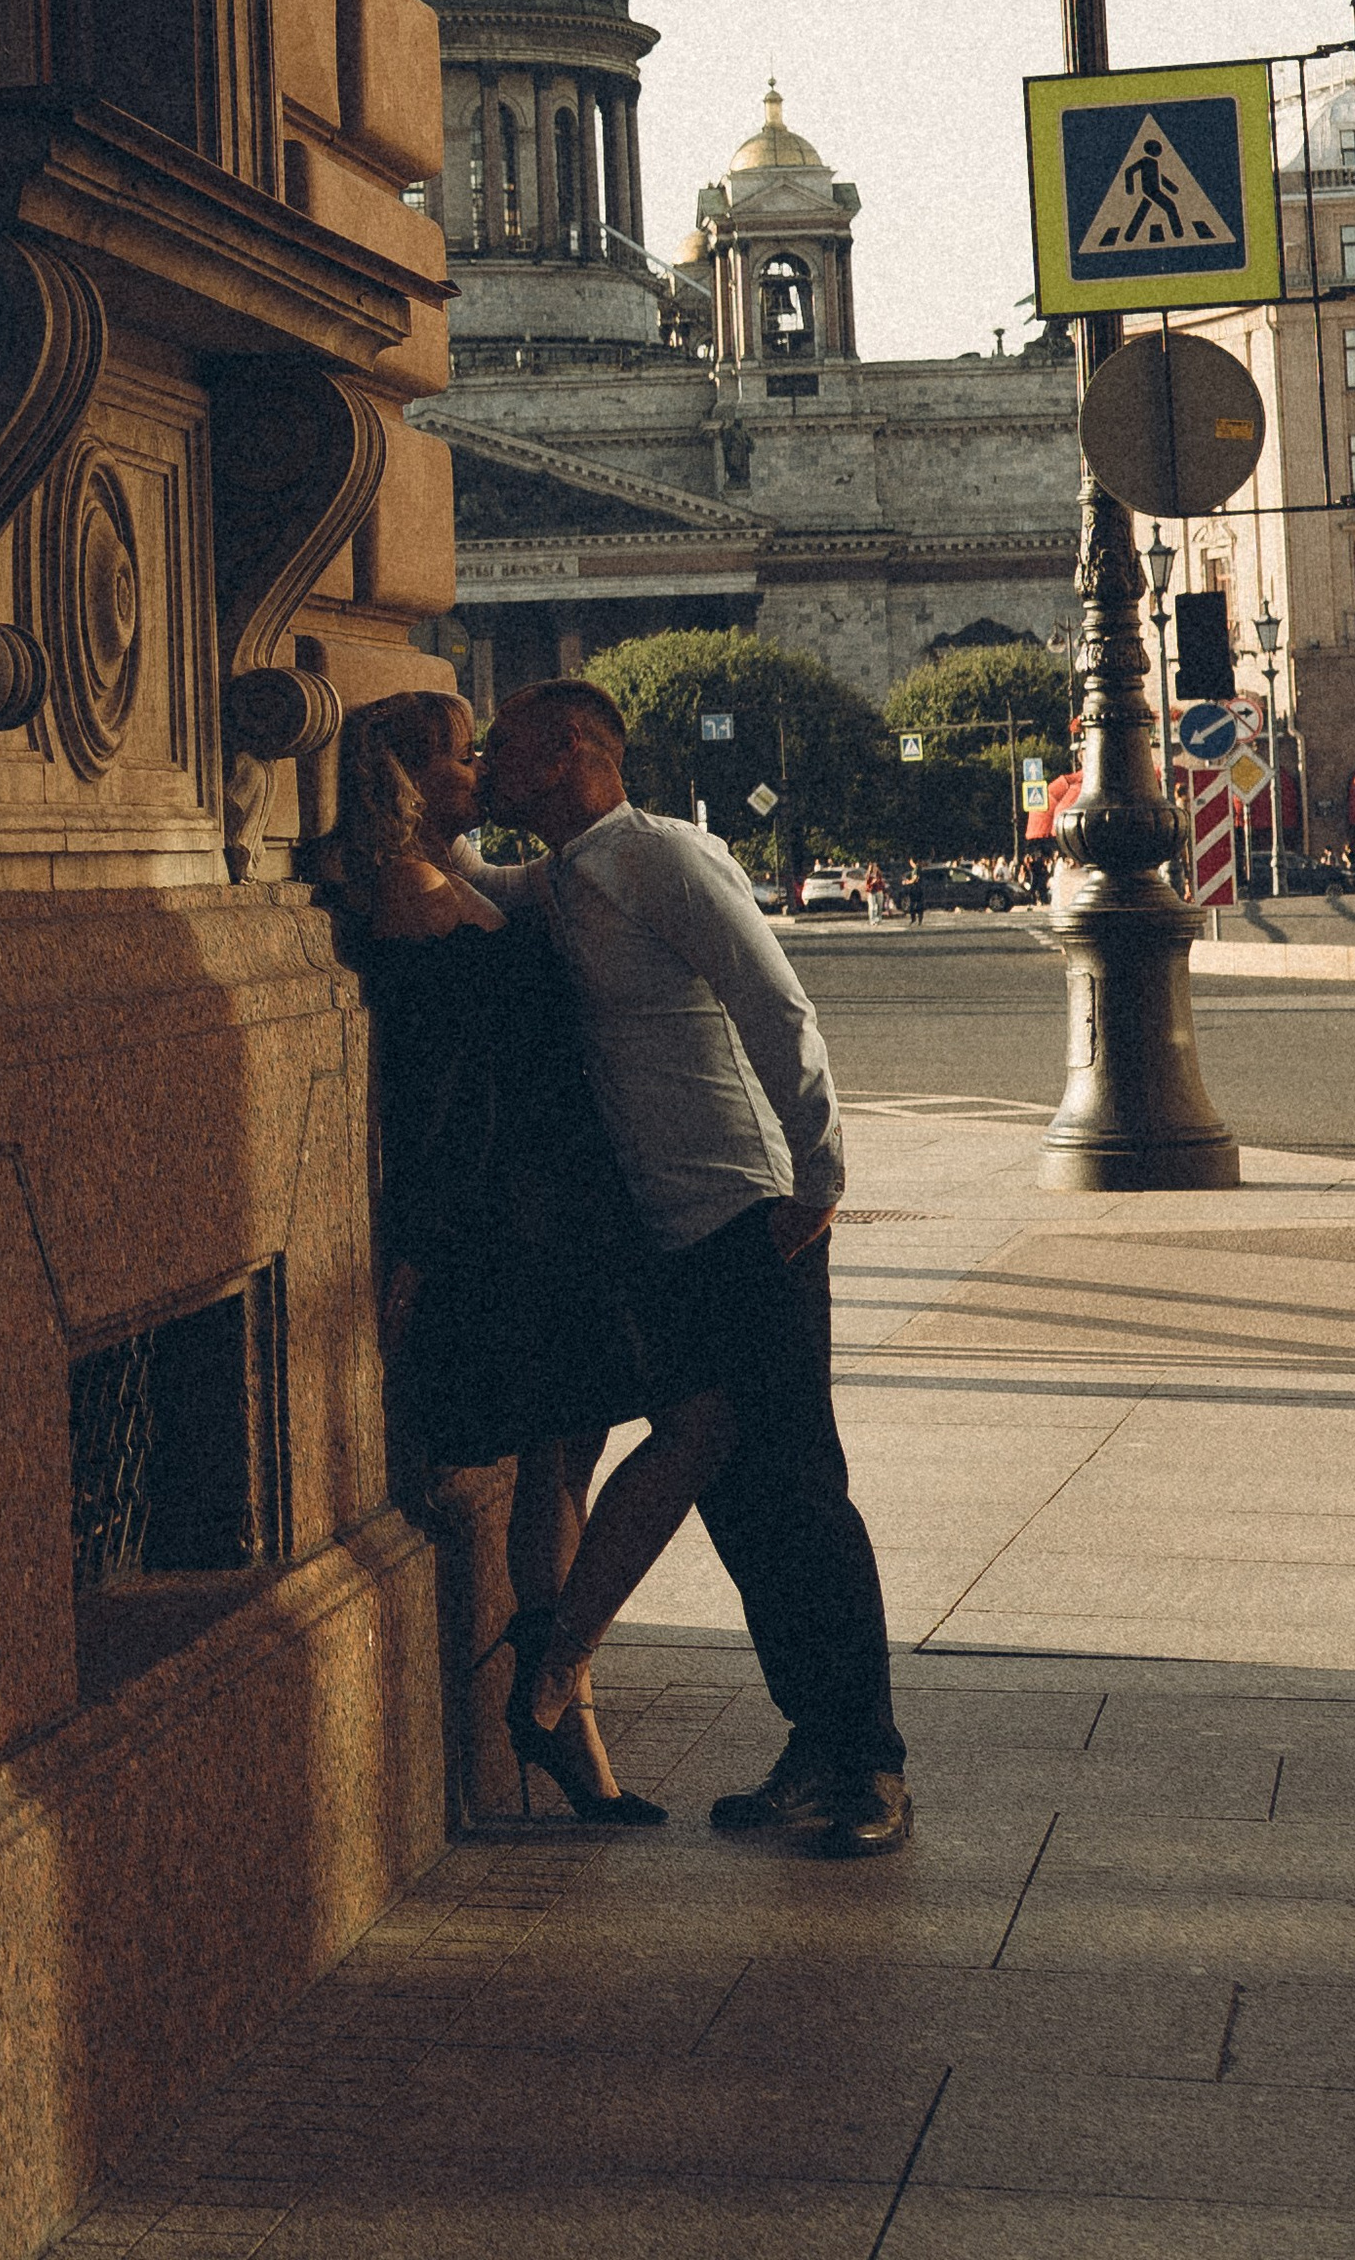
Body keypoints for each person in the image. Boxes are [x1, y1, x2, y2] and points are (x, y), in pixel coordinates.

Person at [476, 679, 913, 1860]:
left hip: (749, 1213)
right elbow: (481, 887)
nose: (483, 758)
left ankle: (868, 1762)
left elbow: (778, 1007)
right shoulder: (568, 874)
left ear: (572, 747)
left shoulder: (663, 855)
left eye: (500, 744)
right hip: (668, 1233)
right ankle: (811, 1743)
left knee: (800, 1493)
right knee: (736, 1503)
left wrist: (818, 1179)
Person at [333, 690, 732, 1825]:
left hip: (557, 1208)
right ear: (413, 782)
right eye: (462, 756)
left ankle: (563, 1718)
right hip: (521, 1224)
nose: (479, 772)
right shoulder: (416, 911)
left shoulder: (453, 884)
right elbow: (439, 1105)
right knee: (658, 1430)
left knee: (564, 1466)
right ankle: (554, 1691)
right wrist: (417, 1249)